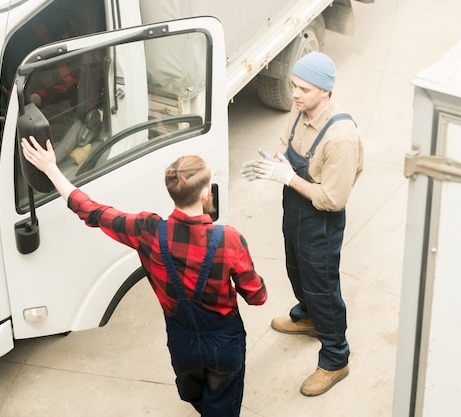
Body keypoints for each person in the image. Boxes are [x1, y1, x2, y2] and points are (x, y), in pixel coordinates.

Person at [21, 136, 267, 416]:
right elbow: (257, 297)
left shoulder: (146, 231)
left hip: (182, 343)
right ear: (203, 194)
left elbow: (90, 210)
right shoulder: (228, 239)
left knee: (194, 394)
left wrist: (51, 168)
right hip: (224, 343)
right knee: (222, 404)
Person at [242, 51, 363, 396]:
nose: (295, 94)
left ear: (325, 92)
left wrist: (288, 178)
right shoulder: (301, 112)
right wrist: (273, 164)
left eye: (305, 89)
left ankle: (336, 358)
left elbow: (332, 198)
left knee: (322, 287)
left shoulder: (339, 136)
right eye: (293, 85)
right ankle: (309, 317)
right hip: (294, 210)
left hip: (320, 221)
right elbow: (286, 145)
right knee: (297, 270)